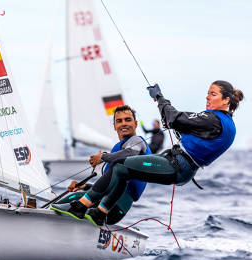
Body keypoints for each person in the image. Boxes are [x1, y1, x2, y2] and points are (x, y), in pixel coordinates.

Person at [52, 80, 243, 227]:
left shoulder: (213, 119)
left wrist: (159, 97)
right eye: (207, 94)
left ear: (226, 100)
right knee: (122, 170)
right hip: (177, 162)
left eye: (213, 94)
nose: (207, 98)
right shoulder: (226, 124)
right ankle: (99, 213)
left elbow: (174, 116)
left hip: (178, 165)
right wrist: (175, 123)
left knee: (122, 165)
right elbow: (188, 129)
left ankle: (81, 208)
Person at [50, 105, 151, 225]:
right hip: (113, 209)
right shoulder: (120, 148)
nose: (123, 123)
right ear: (114, 126)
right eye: (119, 121)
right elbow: (109, 185)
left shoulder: (136, 141)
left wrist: (103, 157)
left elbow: (130, 152)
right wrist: (85, 186)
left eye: (127, 120)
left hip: (115, 206)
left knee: (76, 197)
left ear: (135, 124)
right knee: (79, 194)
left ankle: (46, 219)